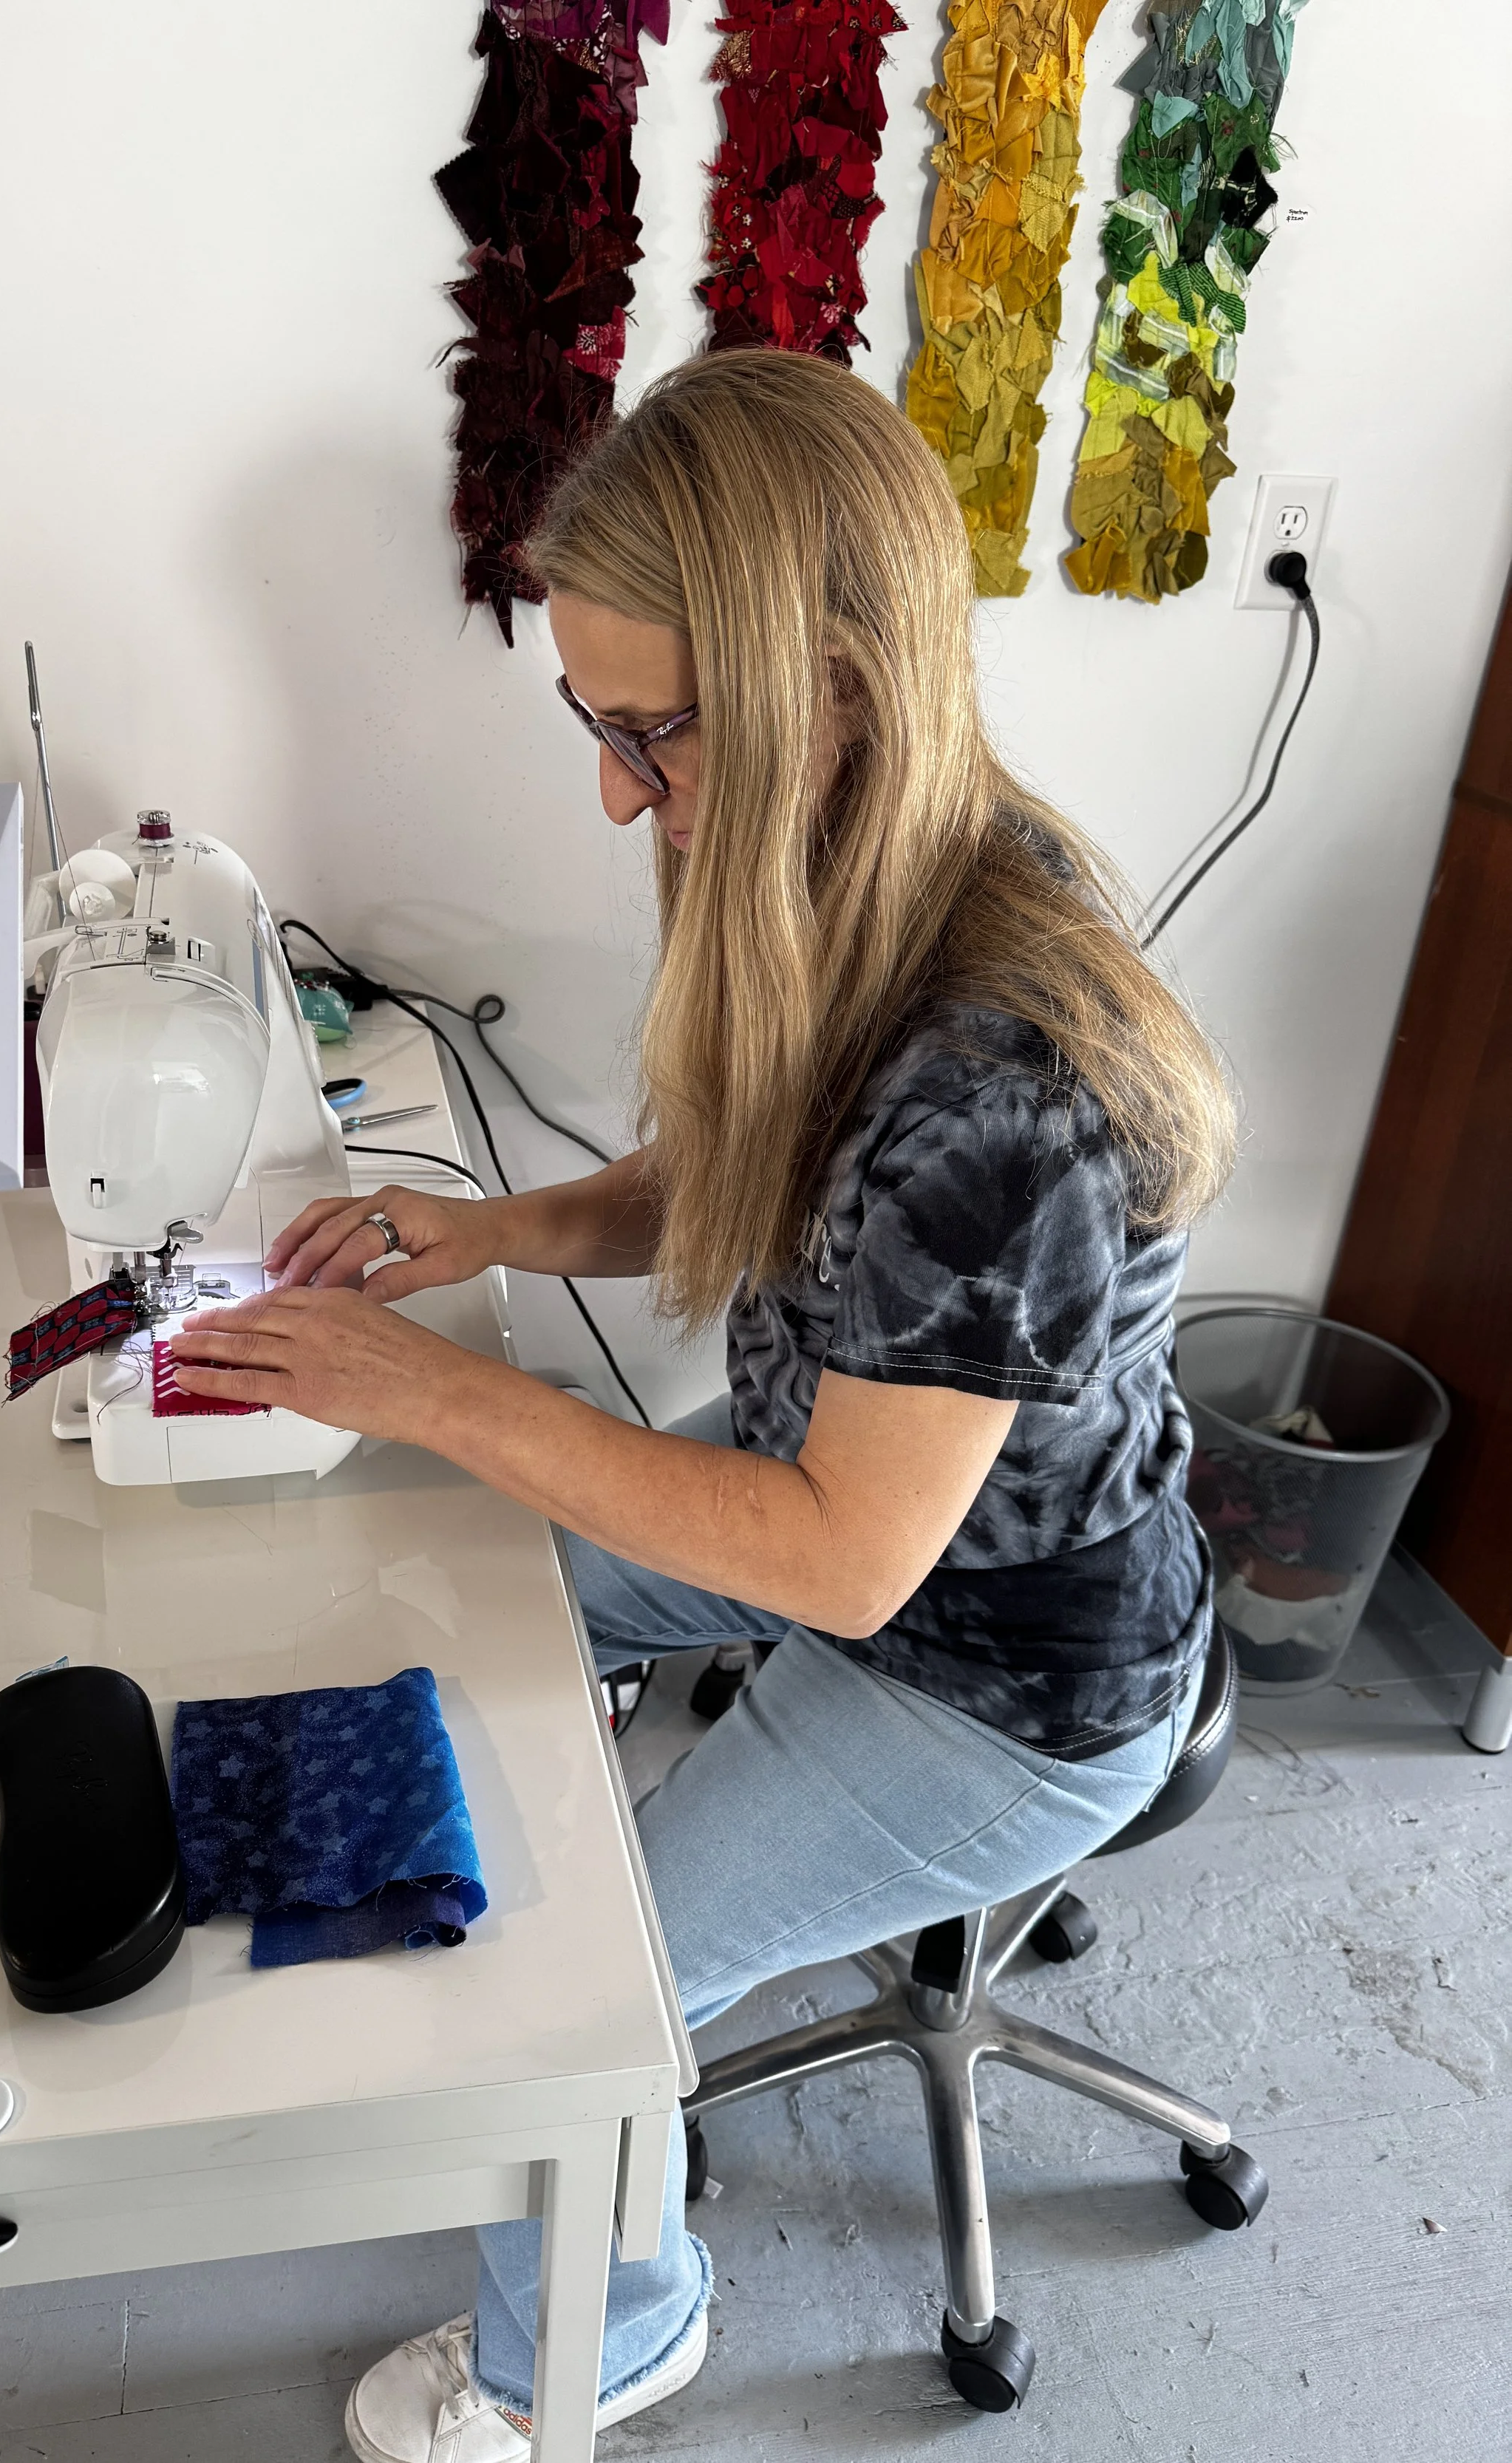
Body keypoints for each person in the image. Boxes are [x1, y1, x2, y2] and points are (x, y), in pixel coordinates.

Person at [167, 348, 1236, 2463]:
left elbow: (839, 1555)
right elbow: (755, 1166)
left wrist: (432, 1392)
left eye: (651, 731)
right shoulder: (874, 876)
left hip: (994, 1678)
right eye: (593, 723)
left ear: (830, 684)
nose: (613, 791)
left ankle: (610, 2322)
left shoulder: (999, 1080)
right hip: (829, 1505)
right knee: (441, 1572)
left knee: (572, 1983)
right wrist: (487, 1242)